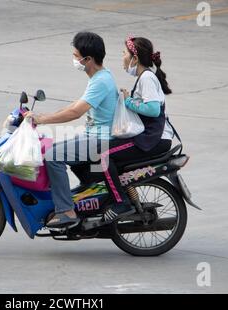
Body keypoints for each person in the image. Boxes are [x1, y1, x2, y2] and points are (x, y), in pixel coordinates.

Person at [25, 31, 134, 228]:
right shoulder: (99, 77)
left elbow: (76, 112)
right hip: (93, 136)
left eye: (76, 56)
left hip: (100, 139)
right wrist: (40, 116)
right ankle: (89, 198)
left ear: (88, 59)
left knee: (53, 156)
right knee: (55, 148)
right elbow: (74, 105)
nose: (74, 59)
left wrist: (42, 119)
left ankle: (66, 211)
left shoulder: (101, 81)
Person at [99, 34, 175, 222]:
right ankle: (124, 197)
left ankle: (120, 202)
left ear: (135, 58)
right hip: (151, 137)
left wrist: (128, 101)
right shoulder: (144, 77)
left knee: (103, 155)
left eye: (124, 53)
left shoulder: (147, 78)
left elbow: (153, 109)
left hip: (153, 139)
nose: (122, 57)